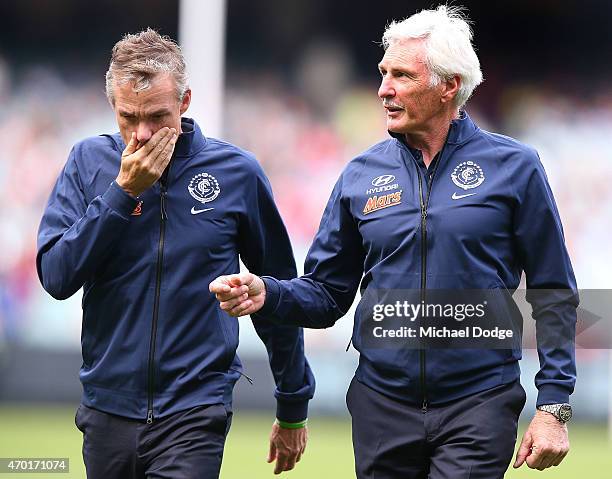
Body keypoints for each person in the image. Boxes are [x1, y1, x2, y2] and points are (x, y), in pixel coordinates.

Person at [210, 6, 577, 478]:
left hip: (480, 401)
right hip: (380, 405)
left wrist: (554, 406)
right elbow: (327, 295)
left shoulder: (516, 168)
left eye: (401, 76)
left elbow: (554, 290)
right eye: (384, 74)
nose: (383, 89)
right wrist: (269, 292)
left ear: (449, 85)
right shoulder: (360, 175)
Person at [36, 28, 314, 479]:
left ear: (185, 102)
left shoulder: (236, 173)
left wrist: (293, 402)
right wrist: (123, 193)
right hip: (107, 408)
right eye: (129, 116)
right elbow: (56, 276)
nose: (142, 133)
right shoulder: (86, 163)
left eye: (157, 116)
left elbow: (275, 292)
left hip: (196, 410)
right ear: (113, 106)